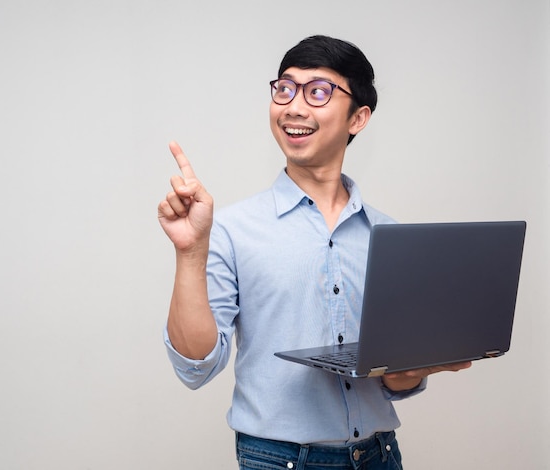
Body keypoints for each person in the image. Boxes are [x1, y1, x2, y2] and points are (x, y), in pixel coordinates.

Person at [157, 35, 471, 470]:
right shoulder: (229, 229)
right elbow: (196, 368)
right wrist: (190, 252)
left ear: (358, 118)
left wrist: (424, 362)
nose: (294, 107)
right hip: (281, 459)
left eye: (318, 92)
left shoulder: (389, 235)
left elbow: (395, 378)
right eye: (285, 88)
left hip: (380, 455)